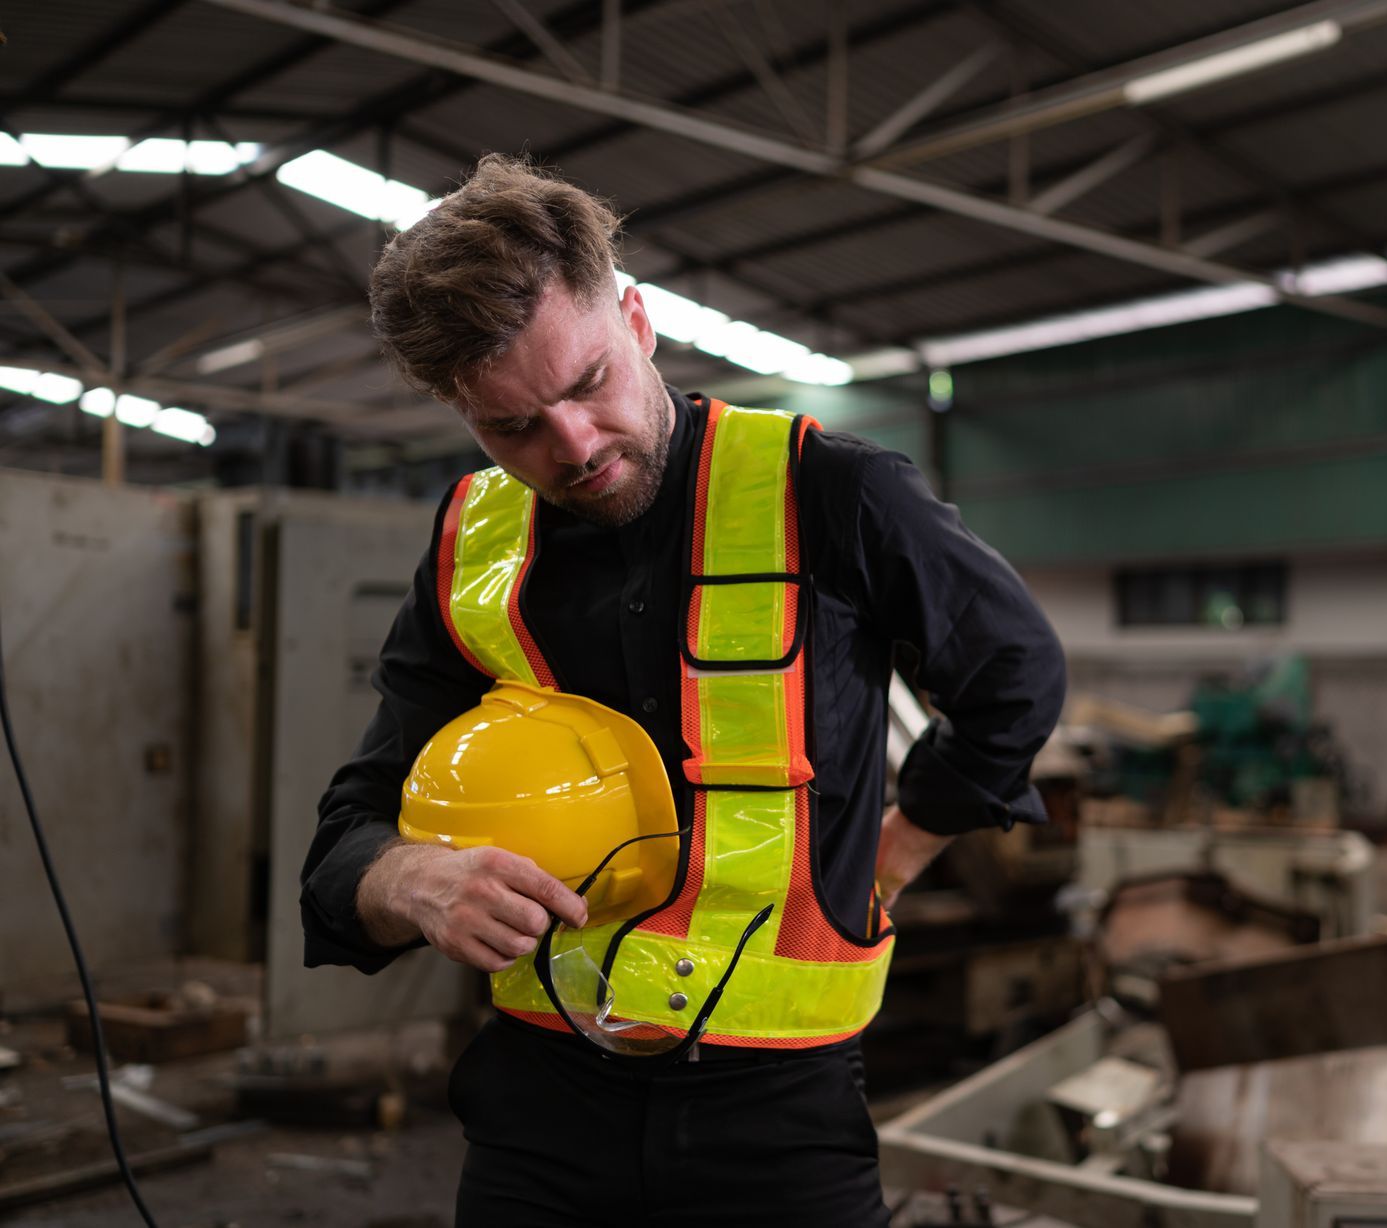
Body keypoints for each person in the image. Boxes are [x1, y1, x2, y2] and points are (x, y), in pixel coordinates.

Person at [298, 154, 1065, 1227]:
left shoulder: (832, 493)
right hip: (541, 1109)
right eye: (513, 426)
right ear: (459, 408)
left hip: (781, 1116)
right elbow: (351, 827)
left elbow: (1014, 674)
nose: (572, 447)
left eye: (587, 384)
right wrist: (408, 882)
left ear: (640, 320)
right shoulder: (475, 546)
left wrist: (909, 839)